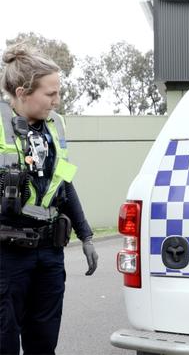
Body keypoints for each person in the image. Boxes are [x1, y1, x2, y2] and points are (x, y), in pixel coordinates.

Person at [0, 44, 98, 355]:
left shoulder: (55, 127)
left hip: (49, 253)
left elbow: (64, 183)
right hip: (7, 254)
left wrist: (86, 235)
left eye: (58, 92)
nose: (56, 101)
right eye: (50, 93)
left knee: (43, 342)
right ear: (22, 91)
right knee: (3, 339)